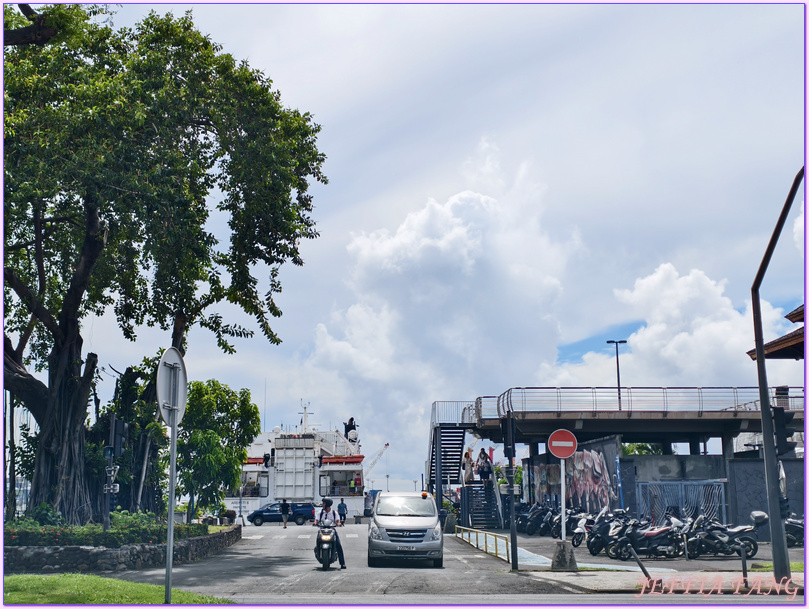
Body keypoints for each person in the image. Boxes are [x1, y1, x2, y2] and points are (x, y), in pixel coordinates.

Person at [314, 498, 346, 569]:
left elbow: (337, 520)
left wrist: (339, 523)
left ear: (327, 504)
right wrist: (315, 522)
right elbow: (316, 520)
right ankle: (317, 551)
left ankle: (342, 563)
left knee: (338, 546)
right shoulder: (320, 512)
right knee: (318, 542)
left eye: (324, 503)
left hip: (332, 531)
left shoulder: (334, 513)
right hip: (322, 531)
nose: (322, 504)